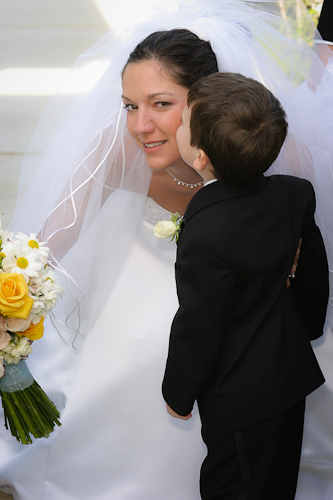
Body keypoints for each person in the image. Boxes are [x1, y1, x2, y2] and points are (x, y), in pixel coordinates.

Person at [0, 1, 333, 499]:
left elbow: (301, 253)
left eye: (160, 104)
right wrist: (16, 288)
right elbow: (55, 232)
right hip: (147, 273)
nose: (140, 125)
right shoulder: (118, 148)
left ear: (204, 101)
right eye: (130, 105)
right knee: (139, 343)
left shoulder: (279, 152)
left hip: (241, 309)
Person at [162, 71, 328, 500]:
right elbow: (312, 271)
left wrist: (178, 394)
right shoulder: (294, 193)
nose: (176, 125)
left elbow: (199, 326)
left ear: (199, 157)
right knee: (277, 481)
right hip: (287, 377)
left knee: (234, 486)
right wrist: (307, 328)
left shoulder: (206, 233)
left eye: (183, 123)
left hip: (241, 398)